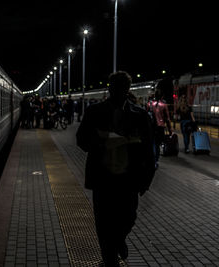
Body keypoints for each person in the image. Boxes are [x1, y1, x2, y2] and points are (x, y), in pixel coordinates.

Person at [76, 71, 155, 267]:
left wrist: (147, 179)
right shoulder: (94, 112)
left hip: (128, 178)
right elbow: (81, 140)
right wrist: (103, 141)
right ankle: (109, 260)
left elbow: (148, 150)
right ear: (109, 88)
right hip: (103, 177)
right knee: (103, 223)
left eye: (123, 88)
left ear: (127, 90)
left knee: (129, 217)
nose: (119, 92)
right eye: (115, 88)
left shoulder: (140, 115)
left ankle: (119, 240)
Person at [147, 88, 173, 168]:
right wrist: (170, 130)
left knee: (152, 144)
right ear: (162, 96)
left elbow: (146, 116)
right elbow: (167, 119)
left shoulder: (149, 104)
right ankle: (156, 161)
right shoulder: (164, 105)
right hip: (160, 127)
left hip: (151, 127)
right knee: (157, 145)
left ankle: (153, 160)